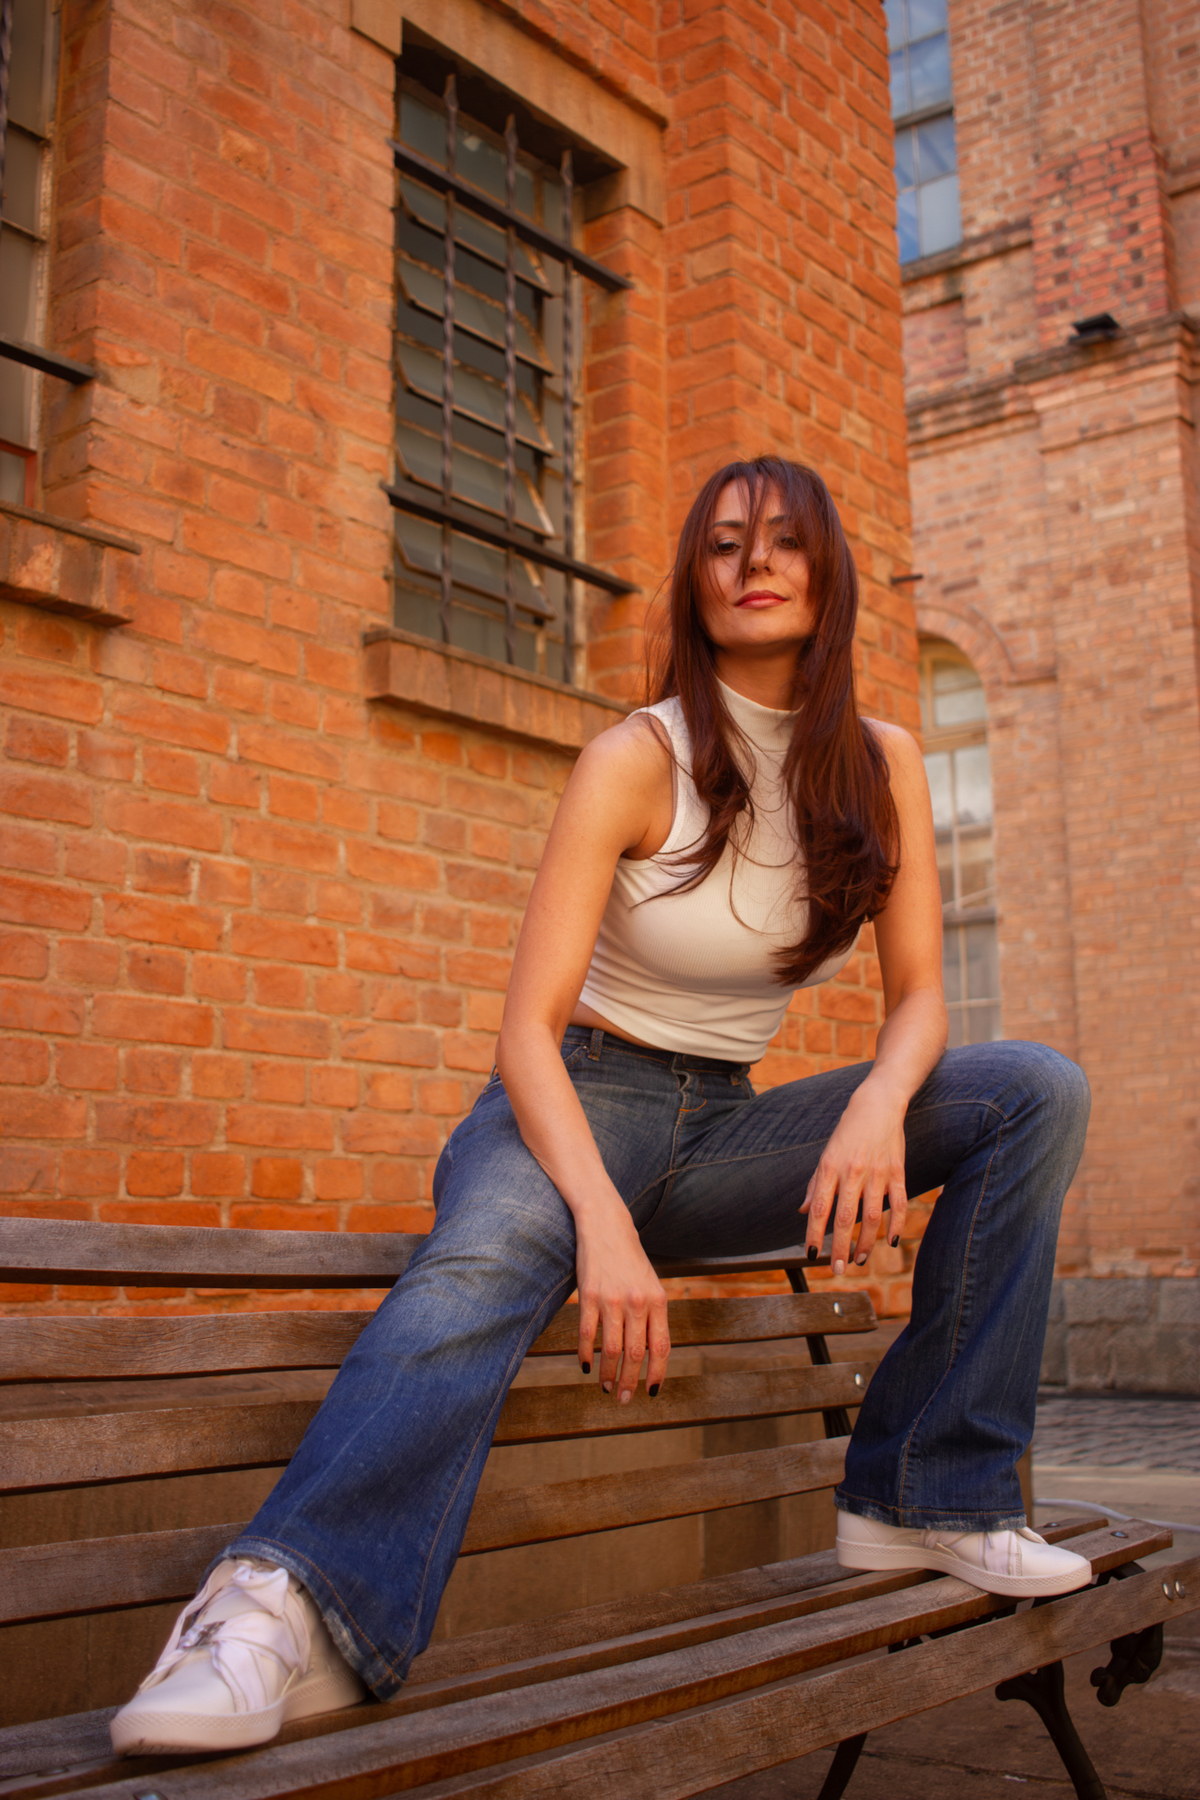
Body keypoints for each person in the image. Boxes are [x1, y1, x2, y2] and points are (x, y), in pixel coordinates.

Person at [111, 458, 1092, 1758]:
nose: (755, 561)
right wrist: (604, 1232)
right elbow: (524, 1026)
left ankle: (928, 1493)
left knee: (1034, 1090)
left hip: (729, 1131)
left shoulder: (880, 764)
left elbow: (919, 997)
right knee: (487, 1257)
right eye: (726, 542)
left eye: (787, 541)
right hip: (576, 1099)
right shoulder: (640, 758)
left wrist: (877, 1107)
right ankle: (280, 1610)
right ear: (695, 581)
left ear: (829, 576)